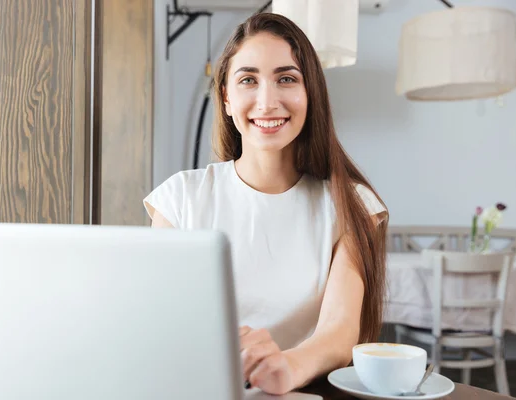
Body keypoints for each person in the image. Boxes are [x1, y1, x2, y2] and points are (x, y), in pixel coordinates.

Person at [143, 12, 388, 396]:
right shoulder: (180, 199)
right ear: (226, 98)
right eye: (248, 80)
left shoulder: (353, 205)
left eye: (286, 79)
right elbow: (157, 321)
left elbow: (339, 335)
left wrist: (283, 369)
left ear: (311, 94)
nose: (267, 101)